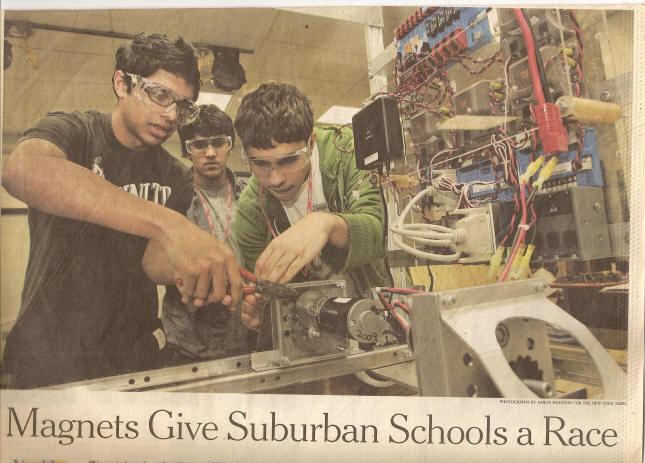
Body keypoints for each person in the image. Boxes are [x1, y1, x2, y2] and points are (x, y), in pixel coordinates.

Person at [1, 34, 242, 389]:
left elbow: (152, 263)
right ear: (122, 83)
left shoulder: (176, 175)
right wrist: (168, 223)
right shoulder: (75, 131)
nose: (172, 115)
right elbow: (22, 170)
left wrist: (201, 272)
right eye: (160, 95)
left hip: (132, 354)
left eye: (183, 105)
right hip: (51, 349)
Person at [234, 82, 387, 332]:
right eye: (260, 164)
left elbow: (378, 233)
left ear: (312, 143)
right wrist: (264, 312)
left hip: (374, 309)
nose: (276, 179)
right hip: (315, 331)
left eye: (289, 161)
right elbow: (274, 296)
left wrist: (325, 223)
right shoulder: (251, 209)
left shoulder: (347, 150)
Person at [162, 104, 249, 361]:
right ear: (187, 151)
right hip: (190, 340)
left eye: (218, 143)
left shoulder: (253, 194)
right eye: (199, 145)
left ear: (230, 145)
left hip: (246, 332)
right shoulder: (172, 198)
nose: (210, 153)